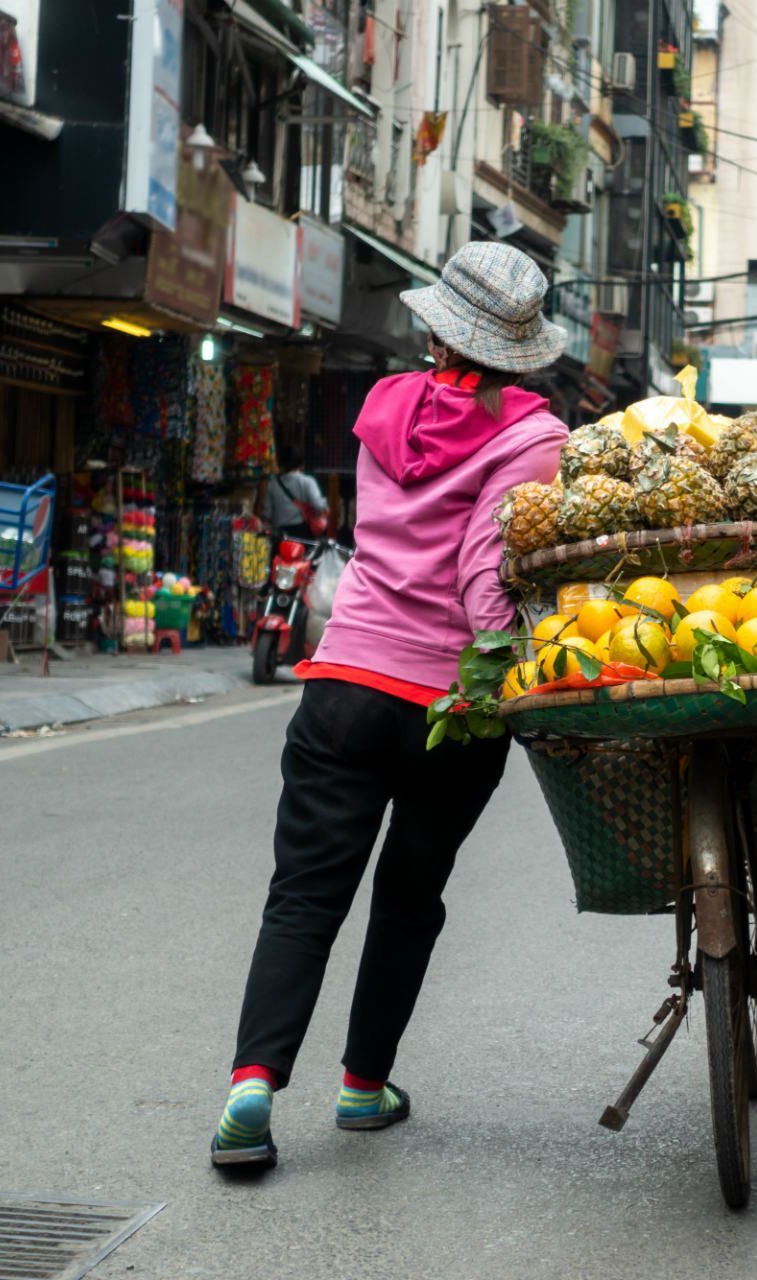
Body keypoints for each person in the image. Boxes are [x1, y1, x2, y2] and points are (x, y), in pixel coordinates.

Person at [211, 242, 570, 1170]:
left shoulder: (383, 407)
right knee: (409, 899)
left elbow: (384, 540)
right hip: (451, 707)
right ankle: (363, 1087)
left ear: (437, 329)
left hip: (344, 684)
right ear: (520, 348)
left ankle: (253, 1083)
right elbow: (485, 586)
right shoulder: (533, 438)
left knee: (303, 896)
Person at [262, 444, 328, 545]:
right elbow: (318, 506)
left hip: (280, 535)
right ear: (301, 463)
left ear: (281, 463)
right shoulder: (308, 482)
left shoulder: (272, 484)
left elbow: (267, 514)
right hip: (302, 535)